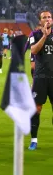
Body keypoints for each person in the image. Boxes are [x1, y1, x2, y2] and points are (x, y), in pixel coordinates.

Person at [28, 11, 53, 151]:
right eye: (44, 17)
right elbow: (34, 50)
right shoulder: (35, 35)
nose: (47, 19)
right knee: (36, 109)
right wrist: (44, 36)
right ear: (40, 21)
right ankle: (34, 140)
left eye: (49, 17)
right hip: (40, 77)